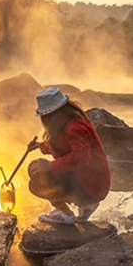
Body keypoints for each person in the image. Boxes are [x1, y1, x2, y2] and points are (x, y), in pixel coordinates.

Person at [26, 87, 111, 224]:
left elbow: (81, 158)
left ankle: (65, 214)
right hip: (93, 182)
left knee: (37, 181)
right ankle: (86, 205)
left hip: (91, 184)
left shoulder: (74, 128)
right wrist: (40, 146)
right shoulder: (71, 124)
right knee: (35, 167)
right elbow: (64, 147)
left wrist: (50, 166)